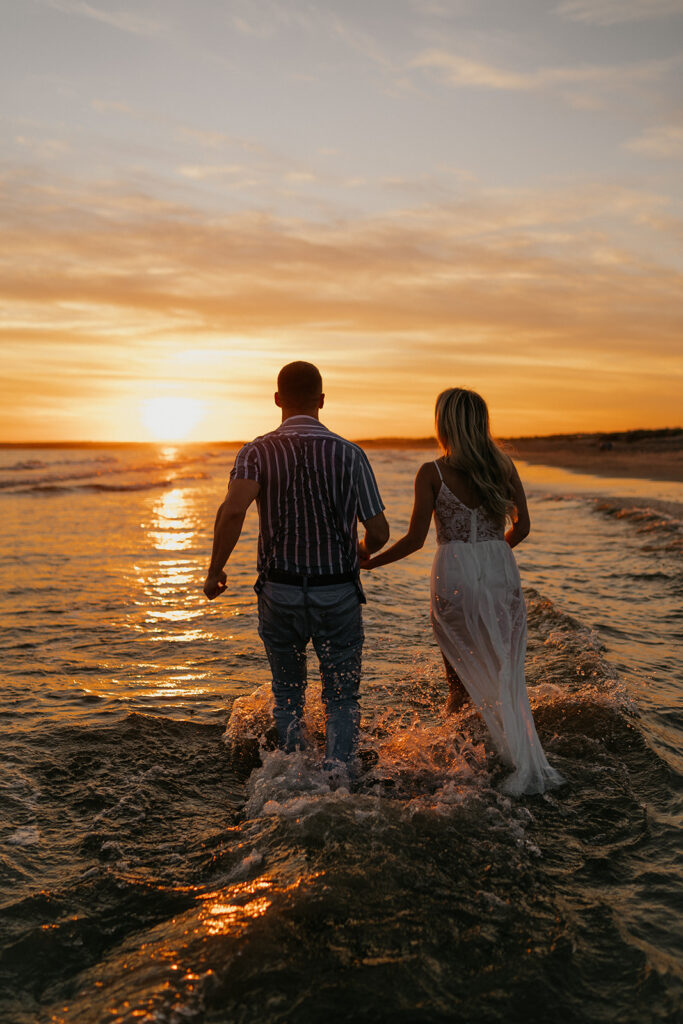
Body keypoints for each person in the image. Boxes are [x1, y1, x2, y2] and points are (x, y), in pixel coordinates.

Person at [361, 387, 563, 795]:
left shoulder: (432, 472)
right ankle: (505, 745)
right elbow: (522, 527)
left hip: (453, 573)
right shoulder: (503, 466)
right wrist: (492, 555)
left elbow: (415, 540)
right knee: (504, 666)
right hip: (499, 569)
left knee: (457, 677)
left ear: (445, 423)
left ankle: (459, 755)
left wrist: (369, 562)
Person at [204, 361, 389, 776]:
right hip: (337, 592)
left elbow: (233, 511)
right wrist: (362, 549)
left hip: (281, 592)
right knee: (341, 698)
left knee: (288, 694)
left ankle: (290, 779)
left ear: (277, 400)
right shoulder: (350, 454)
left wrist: (215, 570)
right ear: (322, 400)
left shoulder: (256, 451)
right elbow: (379, 530)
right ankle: (337, 779)